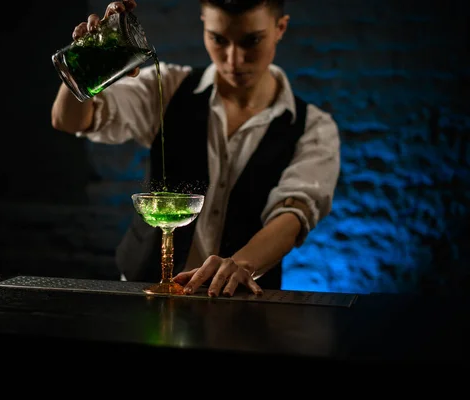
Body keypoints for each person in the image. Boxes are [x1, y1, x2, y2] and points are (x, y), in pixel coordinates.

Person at [51, 0, 340, 298]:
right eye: (218, 39)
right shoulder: (170, 87)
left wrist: (242, 264)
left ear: (280, 28)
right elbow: (68, 120)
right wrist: (88, 61)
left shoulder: (314, 128)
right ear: (203, 23)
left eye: (251, 40)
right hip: (143, 292)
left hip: (239, 302)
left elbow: (293, 215)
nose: (233, 59)